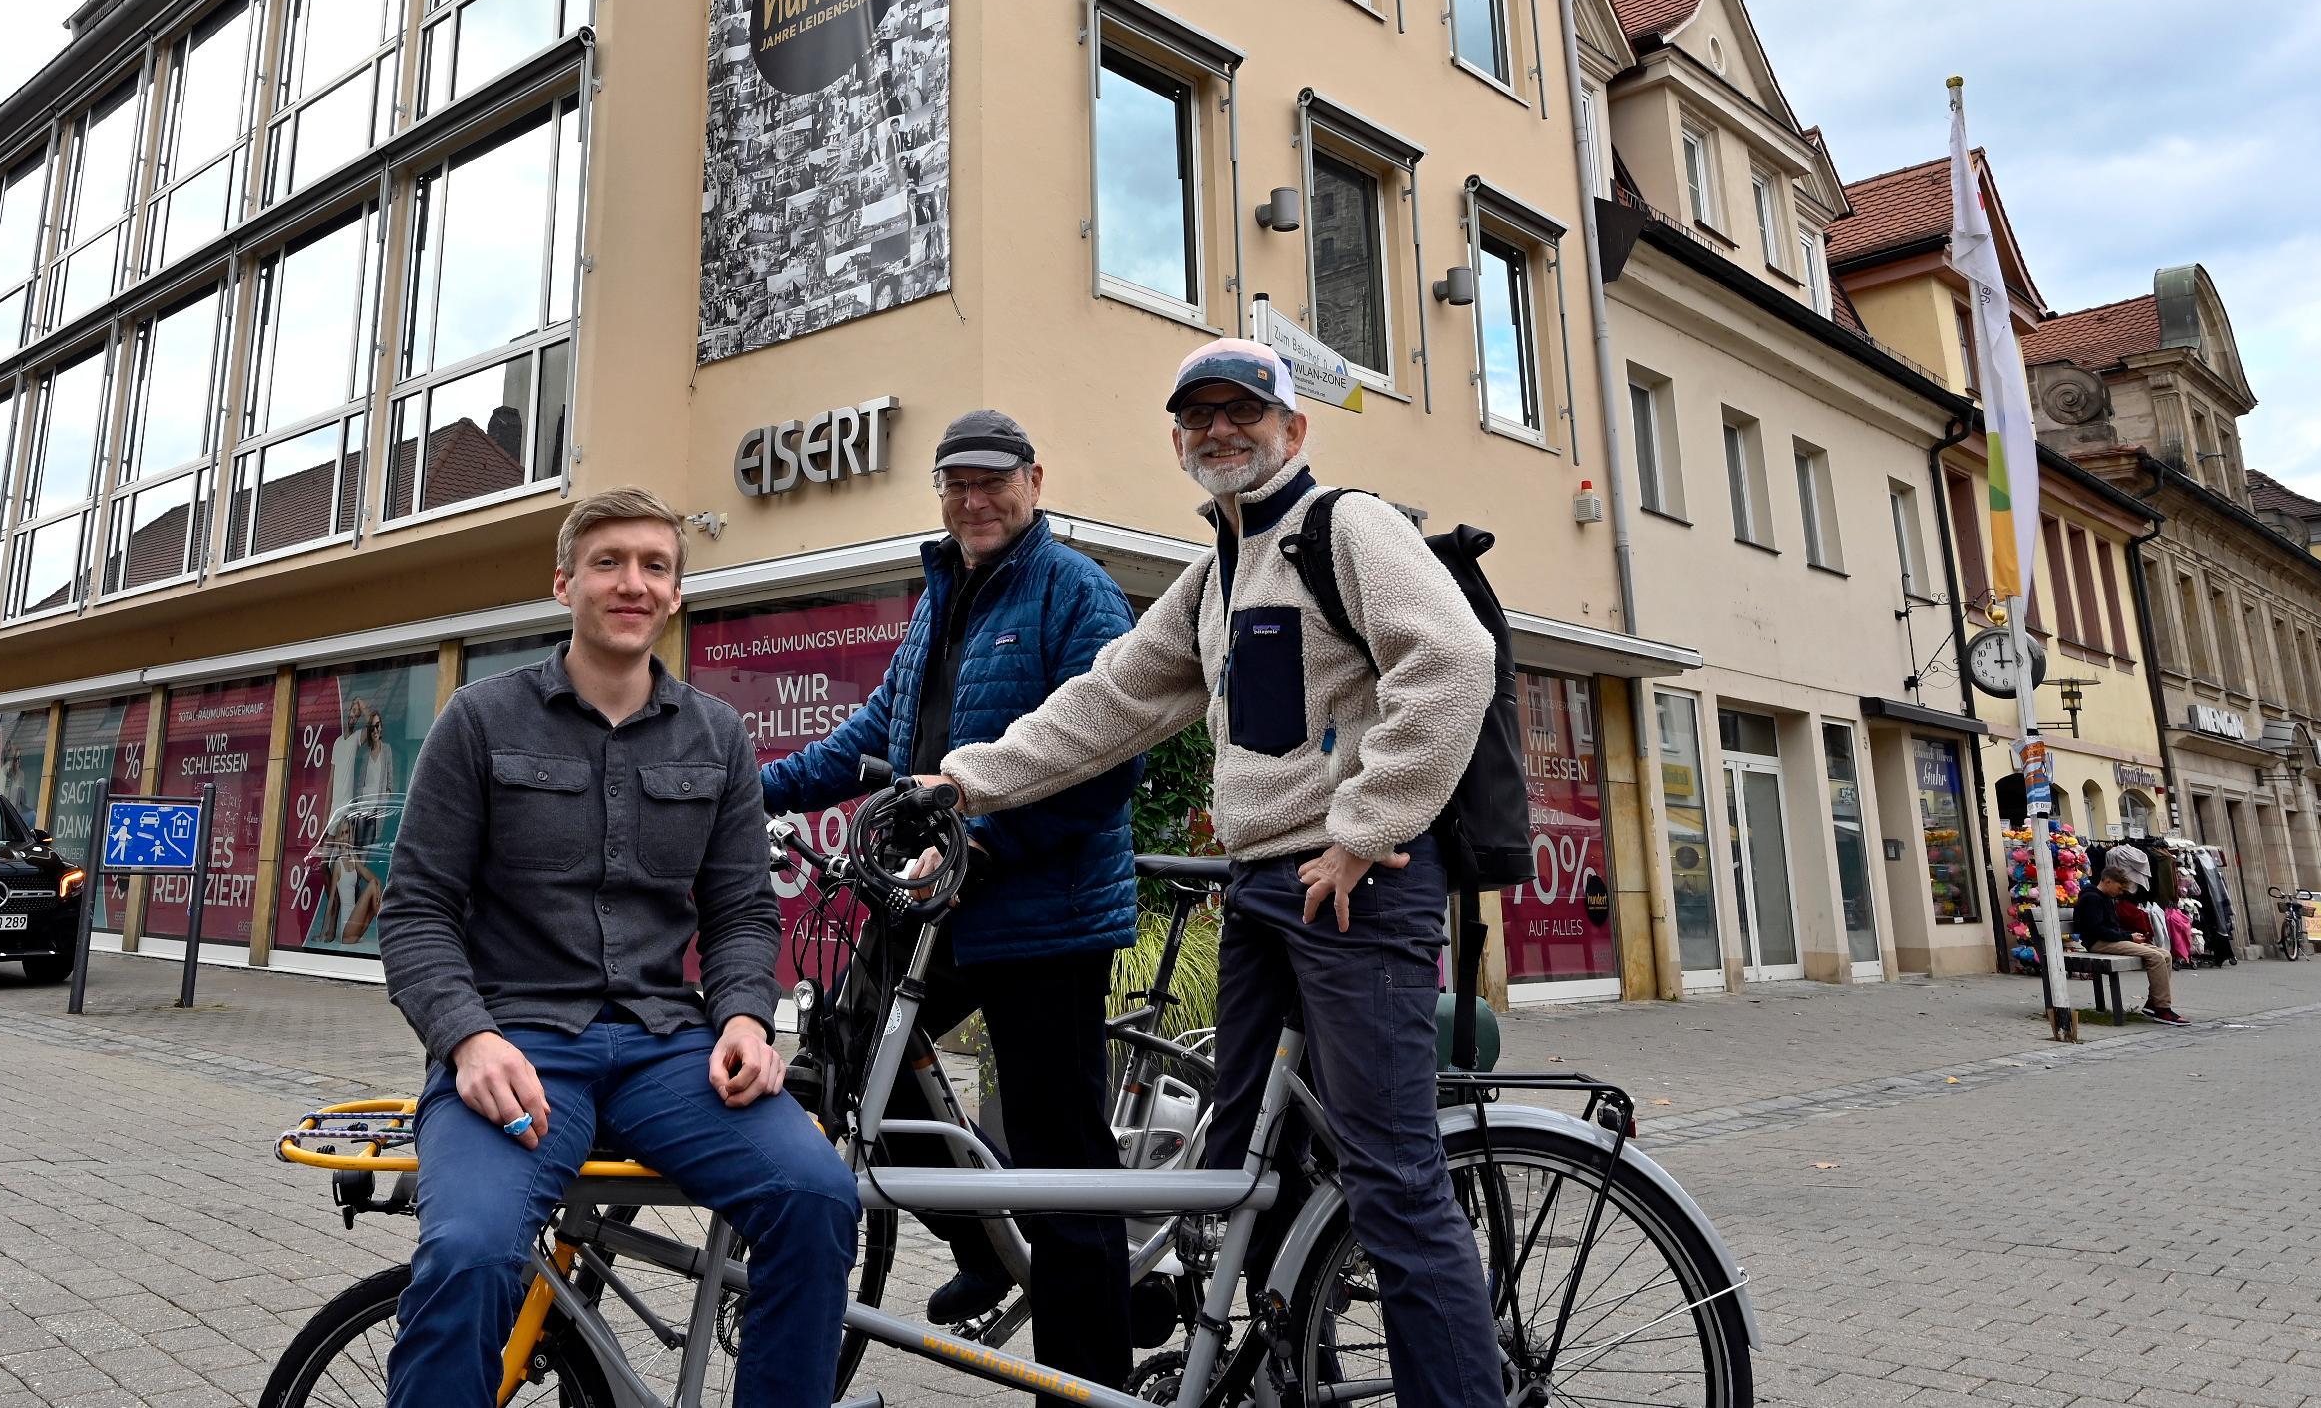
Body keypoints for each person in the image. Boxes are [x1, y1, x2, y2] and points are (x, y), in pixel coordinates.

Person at [924, 338, 1508, 1408]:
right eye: (1198, 417)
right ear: (1179, 439)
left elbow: (1454, 660)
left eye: (1244, 411)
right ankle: (1292, 1376)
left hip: (1353, 888)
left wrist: (1370, 823)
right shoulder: (1217, 574)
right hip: (1263, 894)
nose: (1220, 431)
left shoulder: (1347, 527)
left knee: (1392, 1182)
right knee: (1246, 1164)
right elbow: (1107, 704)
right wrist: (966, 782)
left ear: (1294, 428)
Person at [379, 487, 861, 1407]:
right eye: (608, 563)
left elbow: (741, 914)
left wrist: (748, 1020)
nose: (631, 582)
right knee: (470, 1251)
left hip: (664, 1053)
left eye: (654, 565)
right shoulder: (479, 721)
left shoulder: (718, 736)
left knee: (815, 1196)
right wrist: (467, 1038)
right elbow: (417, 911)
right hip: (517, 1047)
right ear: (566, 582)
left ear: (676, 593)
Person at [763, 409, 1141, 1380]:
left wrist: (981, 841)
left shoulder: (1076, 592)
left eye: (992, 479)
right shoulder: (942, 596)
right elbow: (872, 735)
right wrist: (756, 785)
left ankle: (1086, 1384)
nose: (973, 499)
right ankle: (983, 1249)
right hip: (931, 904)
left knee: (1065, 1166)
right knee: (847, 1072)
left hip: (1043, 916)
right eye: (955, 482)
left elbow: (1104, 768)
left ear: (1035, 479)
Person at [2073, 843, 2188, 1024]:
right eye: (2119, 888)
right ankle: (2162, 1008)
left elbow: (2110, 928)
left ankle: (2153, 1003)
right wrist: (2128, 937)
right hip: (2098, 942)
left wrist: (2129, 935)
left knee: (2165, 954)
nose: (2121, 892)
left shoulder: (2105, 897)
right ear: (2107, 881)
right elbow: (2097, 930)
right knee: (2155, 956)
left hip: (2108, 939)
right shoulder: (2092, 898)